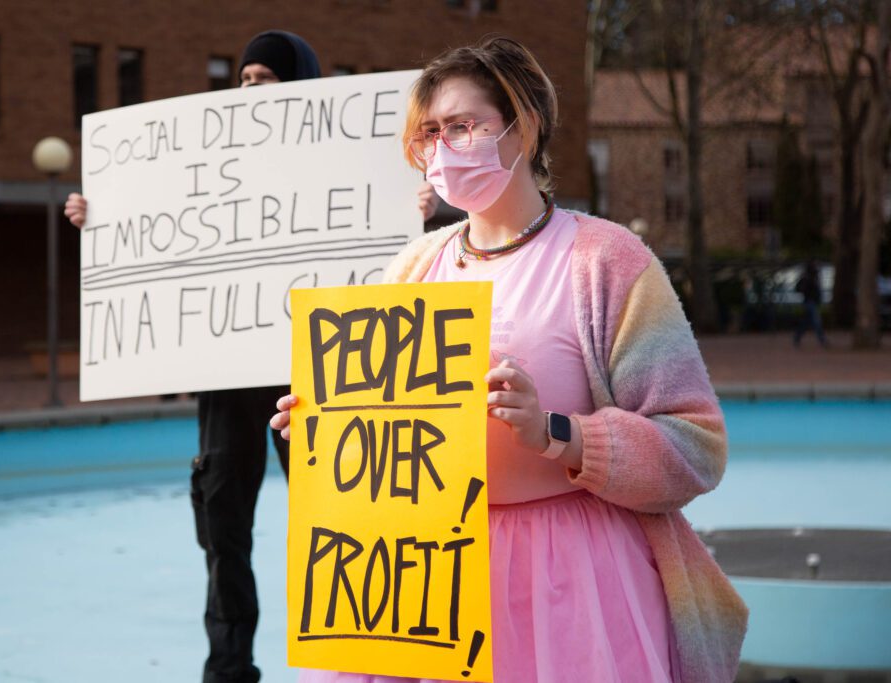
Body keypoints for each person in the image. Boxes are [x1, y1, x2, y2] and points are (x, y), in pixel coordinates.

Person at [271, 36, 747, 683]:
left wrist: (559, 432)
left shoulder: (607, 261)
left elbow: (695, 445)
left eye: (463, 126)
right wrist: (328, 432)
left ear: (521, 129)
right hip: (427, 588)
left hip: (571, 586)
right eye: (430, 132)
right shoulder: (413, 267)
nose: (443, 148)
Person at [64, 30, 438, 683]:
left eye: (264, 78)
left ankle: (360, 653)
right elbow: (156, 231)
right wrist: (100, 217)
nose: (249, 90)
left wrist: (427, 217)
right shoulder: (208, 163)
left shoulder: (358, 166)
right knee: (223, 521)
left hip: (321, 371)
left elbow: (410, 260)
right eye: (242, 79)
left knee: (338, 514)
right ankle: (229, 666)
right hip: (228, 369)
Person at [794, 260, 828, 348]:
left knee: (805, 323)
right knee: (816, 322)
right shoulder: (807, 278)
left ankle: (797, 337)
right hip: (809, 302)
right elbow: (798, 288)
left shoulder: (814, 277)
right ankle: (822, 340)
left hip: (812, 302)